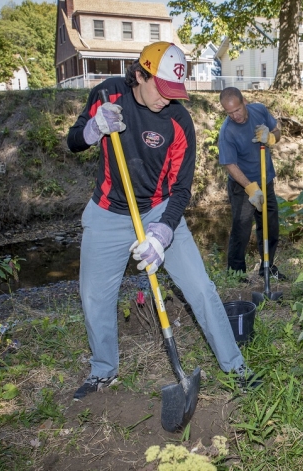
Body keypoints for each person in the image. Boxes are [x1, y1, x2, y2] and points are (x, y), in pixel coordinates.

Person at [67, 42, 258, 400]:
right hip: (108, 210)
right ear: (140, 74)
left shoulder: (178, 120)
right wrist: (93, 128)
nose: (167, 99)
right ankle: (103, 371)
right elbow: (73, 141)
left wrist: (163, 231)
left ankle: (236, 366)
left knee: (201, 288)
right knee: (94, 296)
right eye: (162, 89)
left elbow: (183, 189)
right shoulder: (108, 94)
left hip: (158, 209)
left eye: (175, 92)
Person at [218, 87, 286, 281]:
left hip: (266, 179)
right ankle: (236, 273)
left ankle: (267, 267)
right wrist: (250, 188)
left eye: (237, 110)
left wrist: (271, 137)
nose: (235, 115)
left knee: (270, 226)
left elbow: (277, 131)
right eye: (229, 112)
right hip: (242, 186)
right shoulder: (227, 131)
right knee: (242, 229)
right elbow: (230, 164)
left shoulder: (259, 110)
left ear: (244, 101)